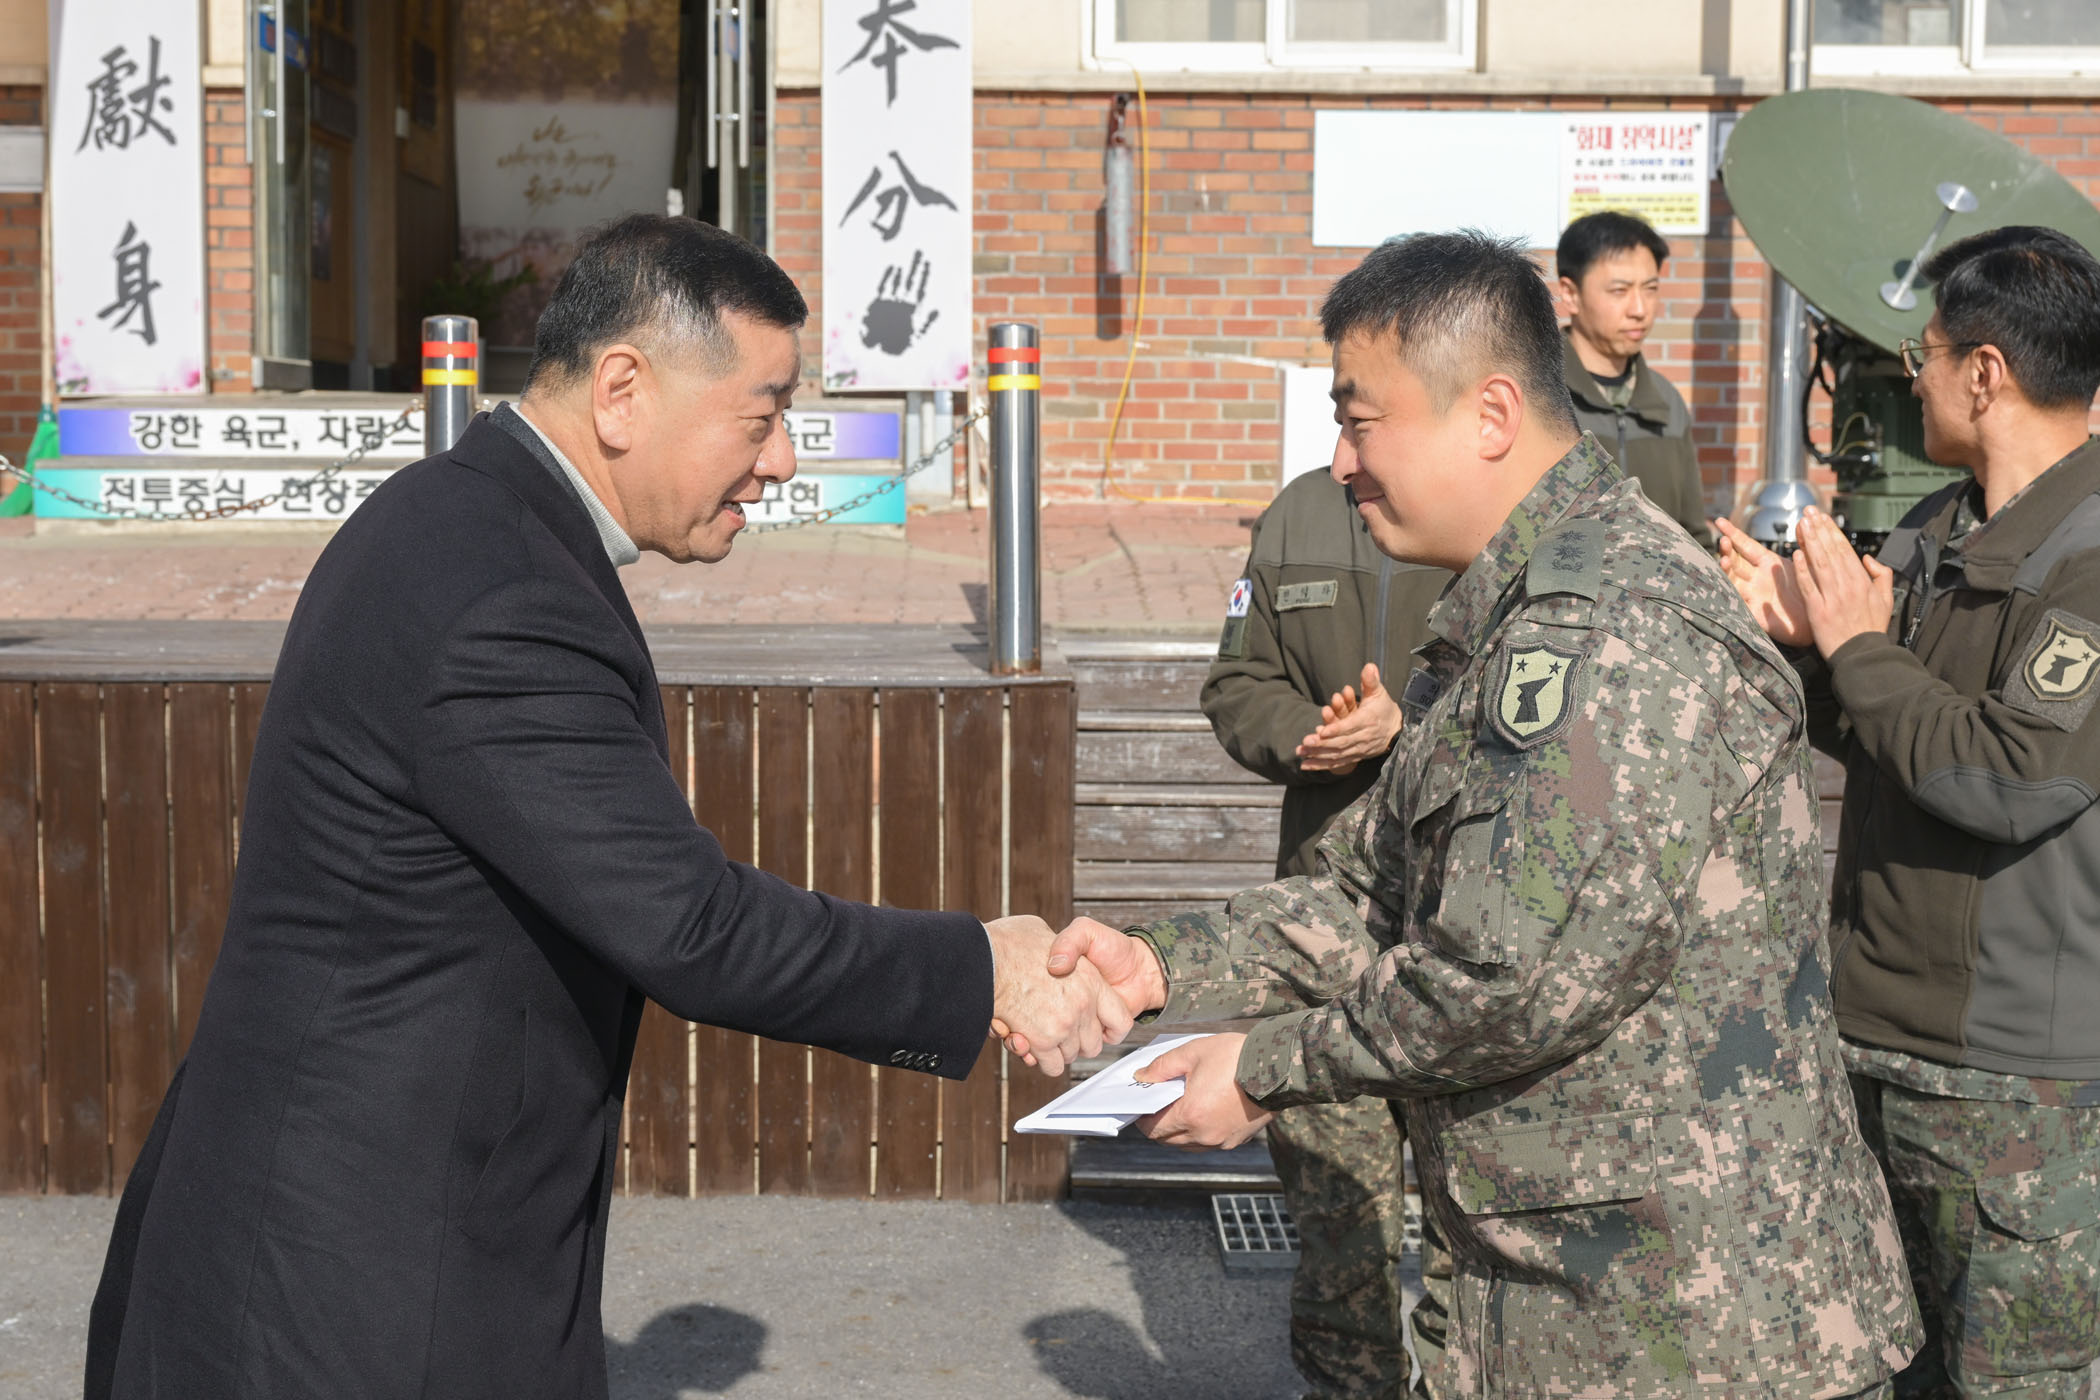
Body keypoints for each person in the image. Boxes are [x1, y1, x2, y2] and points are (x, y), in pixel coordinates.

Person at [84, 215, 1128, 1399]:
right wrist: (983, 967)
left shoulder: (465, 520)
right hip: (352, 1290)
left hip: (366, 1245)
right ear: (623, 390)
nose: (783, 460)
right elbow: (693, 925)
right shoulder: (502, 593)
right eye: (762, 416)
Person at [1031, 231, 1920, 1396]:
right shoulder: (1513, 614)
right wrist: (1158, 961)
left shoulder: (1608, 632)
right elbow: (1377, 890)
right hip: (1593, 1302)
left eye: (1361, 422)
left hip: (1700, 1330)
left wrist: (1263, 1068)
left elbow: (1509, 975)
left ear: (1492, 413)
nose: (1343, 462)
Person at [1715, 225, 2100, 1399]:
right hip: (1878, 1045)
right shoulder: (1940, 526)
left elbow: (2009, 778)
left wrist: (1857, 646)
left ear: (1985, 372)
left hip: (2014, 1089)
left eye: (1923, 353)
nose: (1908, 376)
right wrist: (1811, 648)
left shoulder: (2087, 556)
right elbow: (1892, 734)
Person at [1199, 467, 1449, 1399]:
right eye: (1339, 416)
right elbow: (1237, 683)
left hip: (1466, 936)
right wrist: (1312, 733)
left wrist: (1407, 724)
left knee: (1475, 1243)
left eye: (1362, 418)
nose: (1346, 453)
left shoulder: (1487, 505)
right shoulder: (1298, 514)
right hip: (1324, 932)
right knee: (1340, 1229)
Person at [1558, 210, 1712, 548]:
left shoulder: (1666, 402)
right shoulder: (1538, 394)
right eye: (1619, 290)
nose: (1640, 309)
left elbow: (1694, 537)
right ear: (1570, 294)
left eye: (1650, 289)